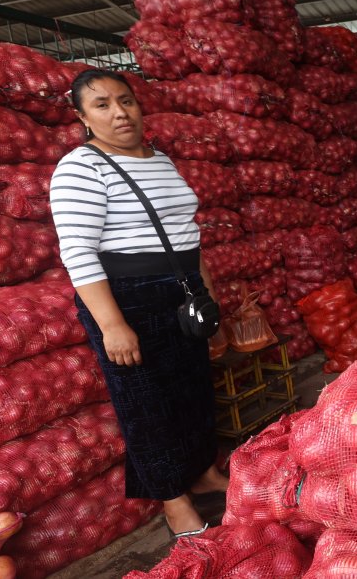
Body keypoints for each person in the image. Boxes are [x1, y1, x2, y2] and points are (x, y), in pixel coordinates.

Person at [49, 69, 227, 540]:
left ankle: (202, 471)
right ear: (81, 117)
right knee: (146, 401)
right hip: (129, 297)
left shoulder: (161, 159)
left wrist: (206, 294)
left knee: (192, 387)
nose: (119, 113)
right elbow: (78, 252)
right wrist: (112, 324)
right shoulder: (80, 167)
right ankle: (174, 500)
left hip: (183, 288)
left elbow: (189, 235)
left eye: (125, 100)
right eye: (103, 105)